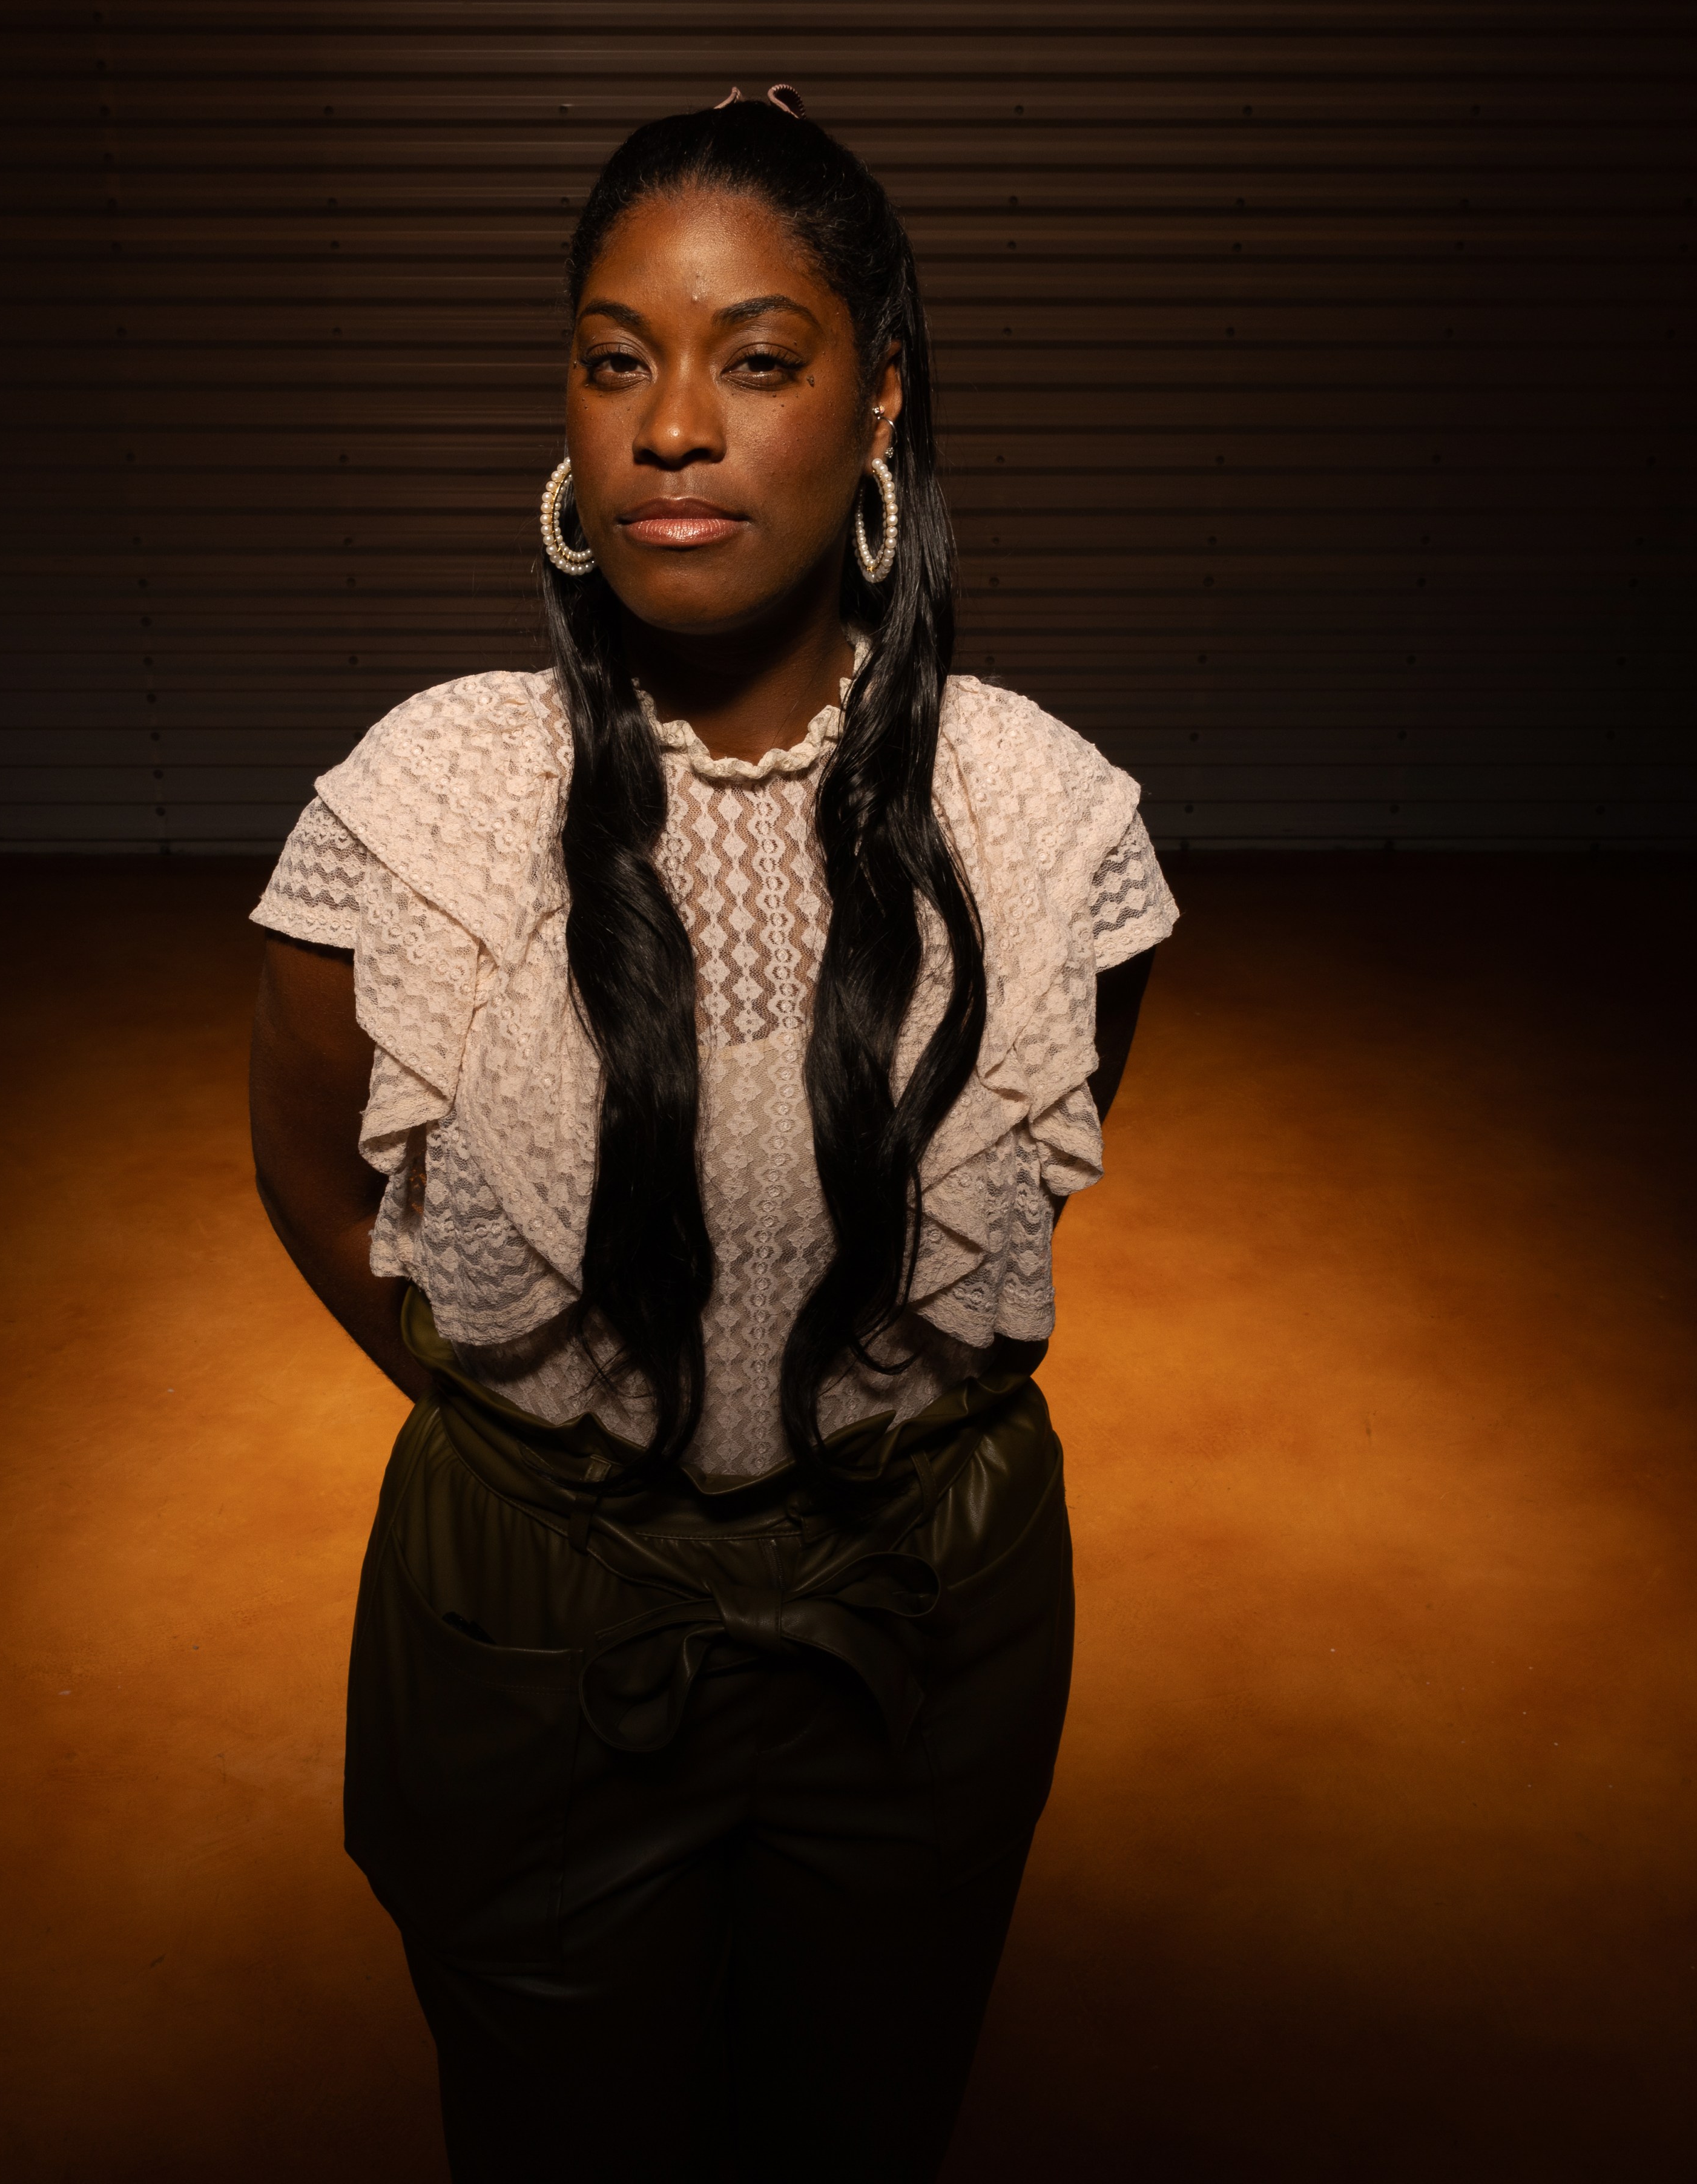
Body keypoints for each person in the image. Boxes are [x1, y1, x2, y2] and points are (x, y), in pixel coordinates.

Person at [247, 88, 1178, 2184]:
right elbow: (305, 1167)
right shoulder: (421, 803)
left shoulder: (1045, 819)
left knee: (861, 2130)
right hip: (525, 1643)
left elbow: (1057, 1128)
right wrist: (515, 1429)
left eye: (759, 359)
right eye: (616, 359)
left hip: (926, 1631)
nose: (675, 424)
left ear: (878, 410)